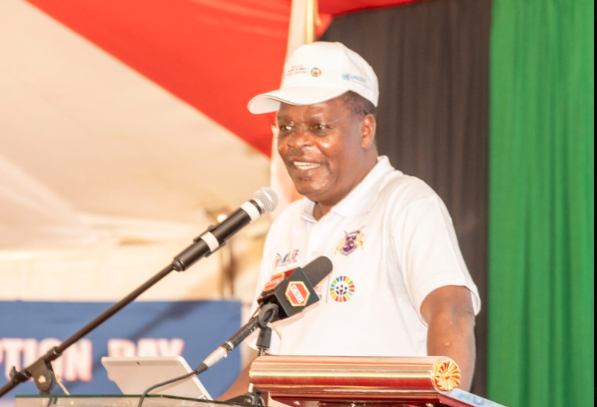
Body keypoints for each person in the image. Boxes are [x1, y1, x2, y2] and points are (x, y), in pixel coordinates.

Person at [221, 41, 481, 398]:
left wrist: (444, 404)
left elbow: (452, 313)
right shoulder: (287, 224)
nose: (296, 143)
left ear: (365, 130)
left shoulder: (405, 203)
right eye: (285, 128)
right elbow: (267, 361)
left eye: (318, 126)